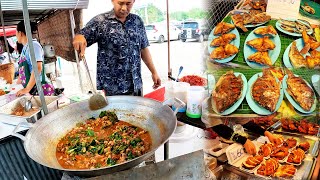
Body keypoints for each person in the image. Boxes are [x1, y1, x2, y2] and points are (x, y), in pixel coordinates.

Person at [73, 0, 161, 96]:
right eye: (120, 3)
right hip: (113, 89)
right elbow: (82, 35)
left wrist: (154, 72)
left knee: (136, 111)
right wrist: (78, 37)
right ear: (112, 1)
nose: (124, 8)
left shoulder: (137, 21)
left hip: (136, 85)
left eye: (128, 3)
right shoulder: (100, 21)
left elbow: (143, 49)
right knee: (113, 111)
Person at [15, 21, 54, 96]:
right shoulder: (25, 48)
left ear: (20, 33)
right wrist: (18, 83)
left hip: (39, 89)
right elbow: (24, 69)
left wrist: (27, 89)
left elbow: (37, 68)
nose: (16, 35)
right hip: (32, 89)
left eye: (16, 32)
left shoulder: (33, 45)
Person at [209, 119, 283, 155]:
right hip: (209, 140)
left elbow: (245, 122)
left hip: (228, 139)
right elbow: (218, 127)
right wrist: (244, 141)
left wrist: (265, 133)